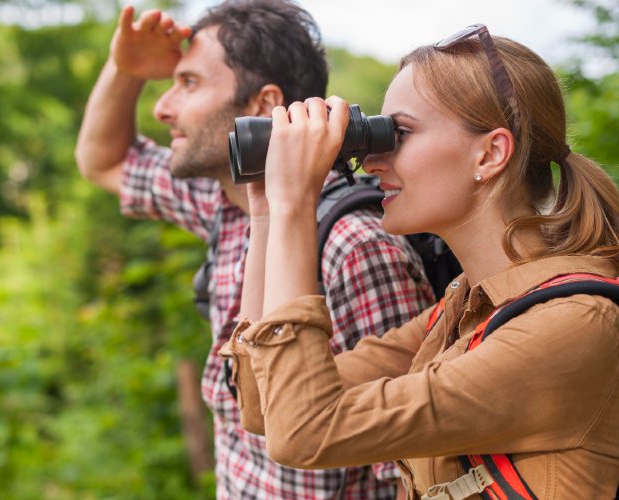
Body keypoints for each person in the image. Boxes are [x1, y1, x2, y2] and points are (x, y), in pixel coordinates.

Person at [222, 24, 619, 499]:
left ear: (490, 153)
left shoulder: (571, 327)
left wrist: (295, 206)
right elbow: (264, 407)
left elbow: (305, 431)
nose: (373, 160)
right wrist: (264, 211)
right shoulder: (460, 312)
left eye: (398, 133)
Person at [74, 1, 435, 498]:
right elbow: (101, 161)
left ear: (264, 105)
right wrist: (125, 68)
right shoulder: (224, 199)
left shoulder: (356, 246)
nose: (162, 107)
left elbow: (412, 467)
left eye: (190, 83)